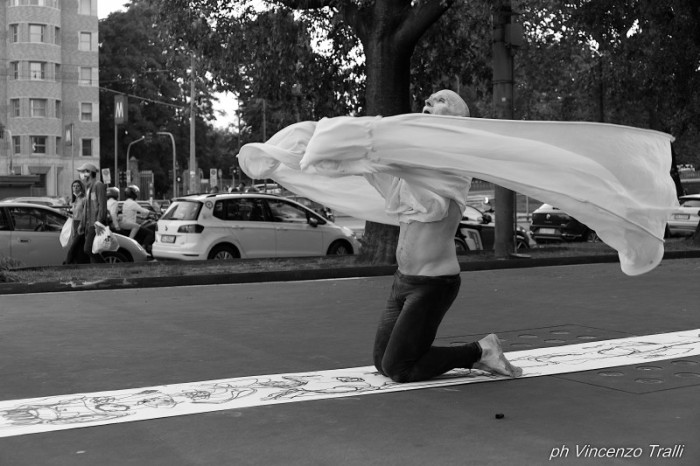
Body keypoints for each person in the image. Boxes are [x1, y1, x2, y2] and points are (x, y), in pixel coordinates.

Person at [369, 89, 522, 383]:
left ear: (457, 122)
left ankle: (481, 350)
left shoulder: (453, 165)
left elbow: (396, 163)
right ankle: (470, 354)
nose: (428, 101)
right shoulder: (415, 164)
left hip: (433, 284)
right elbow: (382, 173)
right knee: (382, 362)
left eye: (441, 101)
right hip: (403, 280)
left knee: (399, 368)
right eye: (428, 99)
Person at [77, 162, 107, 263]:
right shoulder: (88, 188)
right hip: (88, 224)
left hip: (95, 224)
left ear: (88, 173)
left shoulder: (98, 185)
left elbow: (102, 206)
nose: (81, 175)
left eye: (82, 172)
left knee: (88, 249)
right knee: (92, 249)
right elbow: (86, 208)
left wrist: (98, 223)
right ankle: (96, 270)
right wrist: (82, 224)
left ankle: (105, 266)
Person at [121, 185, 155, 252]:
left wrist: (139, 217)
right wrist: (154, 213)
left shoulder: (125, 203)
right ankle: (143, 249)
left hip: (125, 224)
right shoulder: (133, 203)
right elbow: (143, 210)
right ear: (133, 194)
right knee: (150, 233)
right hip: (131, 226)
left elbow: (130, 214)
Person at [64, 179, 89, 264]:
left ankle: (67, 262)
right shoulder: (74, 200)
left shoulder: (84, 199)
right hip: (74, 223)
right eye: (74, 186)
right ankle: (78, 263)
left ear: (81, 187)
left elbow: (85, 213)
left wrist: (82, 224)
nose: (75, 188)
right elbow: (75, 213)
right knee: (78, 246)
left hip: (81, 223)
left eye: (77, 186)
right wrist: (68, 214)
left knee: (74, 245)